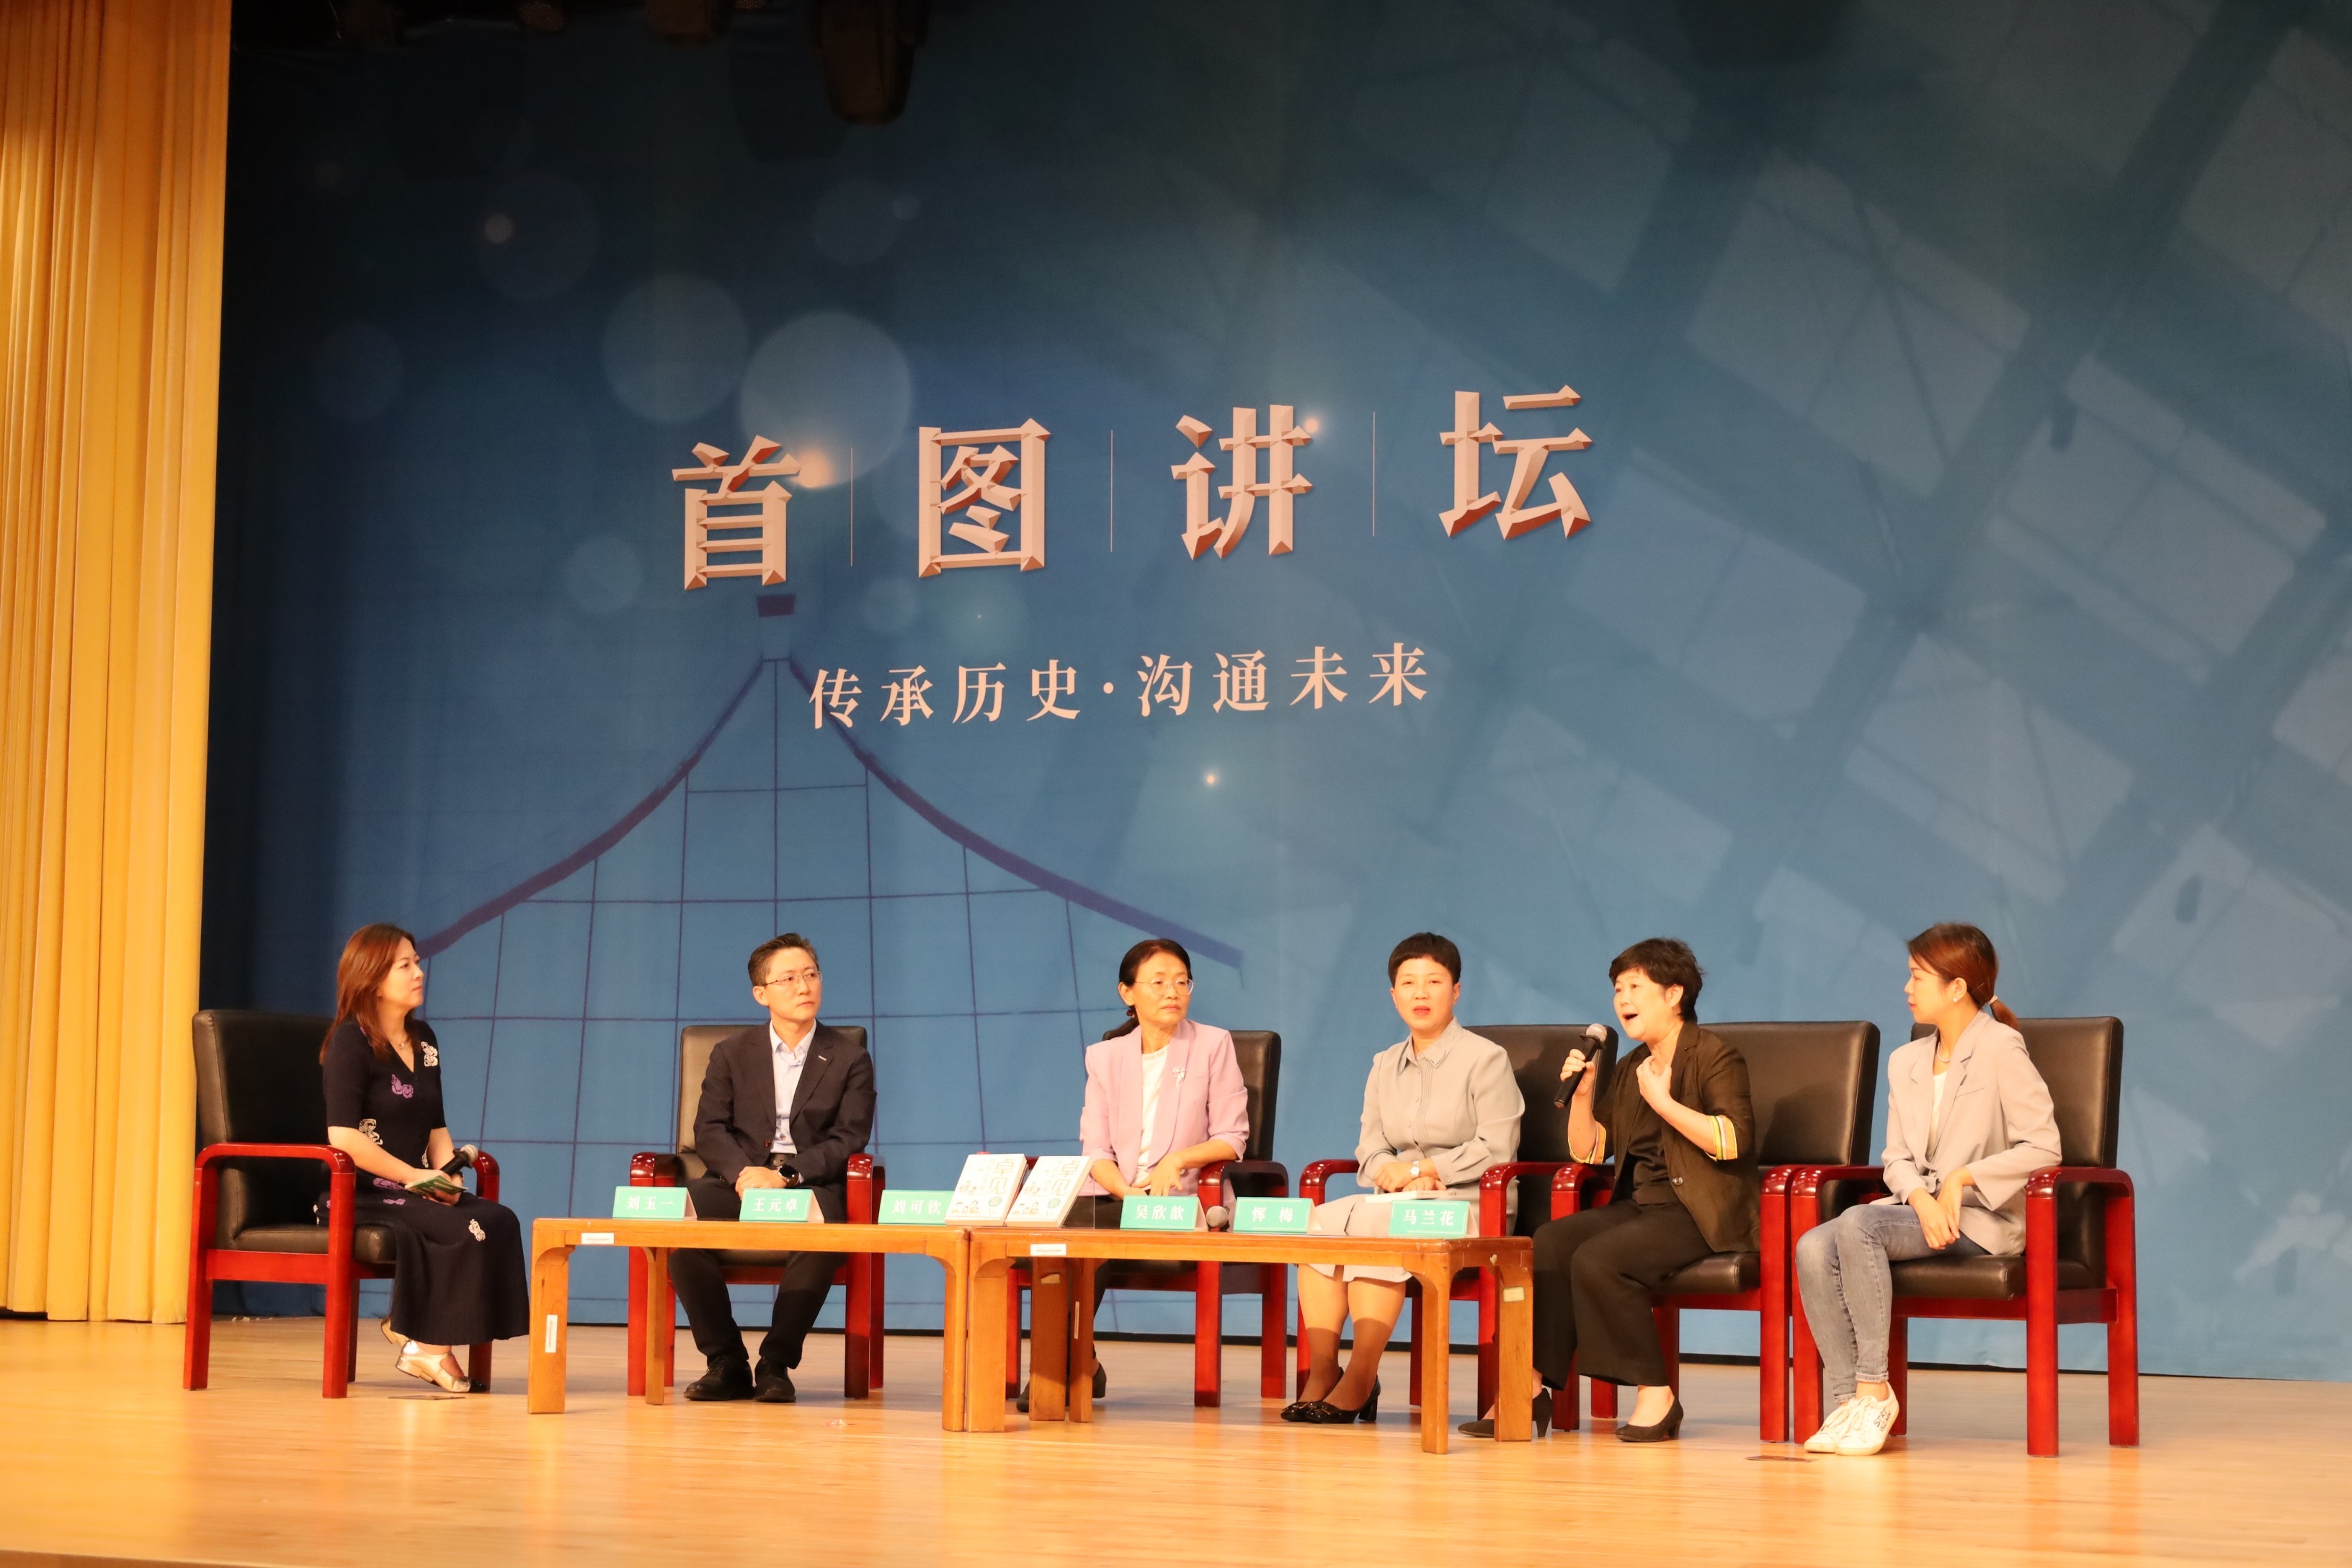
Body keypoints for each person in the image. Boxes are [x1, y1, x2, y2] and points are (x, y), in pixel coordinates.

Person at [1465, 937, 1755, 1443]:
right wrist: (1583, 1095)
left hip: (1697, 1210)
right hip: (1642, 1204)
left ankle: (1657, 1394)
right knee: (1551, 1242)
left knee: (1599, 1259)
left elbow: (1732, 1141)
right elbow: (1590, 1152)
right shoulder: (1631, 1066)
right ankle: (1528, 1388)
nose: (1623, 999)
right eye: (1618, 989)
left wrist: (1664, 1103)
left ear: (1674, 994)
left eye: (1635, 987)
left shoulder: (1715, 1056)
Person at [1794, 923, 2059, 1456]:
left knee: (1859, 1223)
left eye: (1917, 977)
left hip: (1981, 1218)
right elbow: (1895, 1156)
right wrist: (1920, 1198)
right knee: (1811, 1246)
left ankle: (1875, 1390)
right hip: (1917, 1212)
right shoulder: (1906, 1060)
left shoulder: (2002, 1048)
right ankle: (1849, 1403)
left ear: (1957, 987)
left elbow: (2044, 1148)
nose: (1907, 987)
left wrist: (1962, 1179)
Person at [1287, 932, 1523, 1425]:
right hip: (1403, 1200)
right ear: (1393, 995)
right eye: (1409, 983)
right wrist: (1393, 1176)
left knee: (1379, 1229)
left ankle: (1361, 1376)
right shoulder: (1383, 1064)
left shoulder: (1486, 1058)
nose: (1421, 993)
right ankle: (1323, 1370)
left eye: (1434, 981)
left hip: (1474, 1201)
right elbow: (1370, 1146)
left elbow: (1496, 1147)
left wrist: (1425, 1170)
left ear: (1455, 991)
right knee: (1318, 1224)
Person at [1016, 938, 1249, 1412]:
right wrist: (1124, 1190)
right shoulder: (1105, 1057)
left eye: (1181, 982)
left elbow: (1233, 1137)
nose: (1172, 992)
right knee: (1060, 1235)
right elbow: (1096, 1149)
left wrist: (1176, 1161)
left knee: (1089, 1233)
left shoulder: (1213, 1044)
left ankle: (1056, 1370)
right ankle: (1069, 1361)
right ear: (1127, 992)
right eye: (1158, 982)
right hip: (1114, 1195)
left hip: (1183, 1198)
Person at [321, 924, 527, 1393]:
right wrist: (414, 1177)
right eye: (405, 965)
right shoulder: (350, 1042)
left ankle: (414, 1327)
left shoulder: (425, 1040)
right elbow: (343, 1137)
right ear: (373, 978)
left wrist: (446, 1176)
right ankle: (429, 1347)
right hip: (360, 1192)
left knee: (500, 1219)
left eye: (416, 962)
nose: (419, 972)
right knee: (462, 1228)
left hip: (415, 1185)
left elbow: (436, 1127)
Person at [672, 932, 876, 1403]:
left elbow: (849, 1137)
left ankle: (775, 1362)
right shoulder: (731, 1052)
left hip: (809, 1183)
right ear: (761, 994)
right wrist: (744, 1176)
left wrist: (786, 1176)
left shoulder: (849, 1057)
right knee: (681, 1224)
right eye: (788, 979)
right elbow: (709, 1130)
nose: (804, 986)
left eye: (811, 974)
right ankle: (726, 1360)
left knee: (822, 1229)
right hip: (739, 1180)